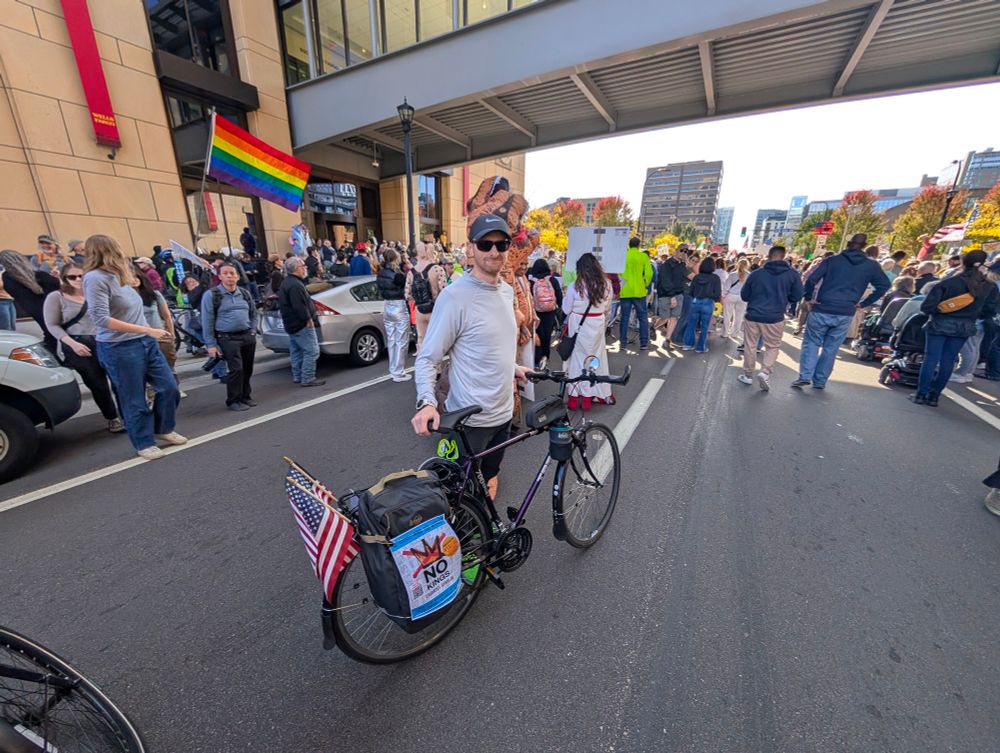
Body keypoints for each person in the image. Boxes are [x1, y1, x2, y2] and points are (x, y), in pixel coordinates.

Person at [412, 213, 531, 499]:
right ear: (471, 248)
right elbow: (428, 358)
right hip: (470, 423)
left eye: (501, 245)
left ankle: (486, 531)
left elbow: (491, 343)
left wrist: (514, 367)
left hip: (503, 416)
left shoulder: (505, 291)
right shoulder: (455, 297)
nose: (493, 251)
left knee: (489, 479)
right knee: (458, 495)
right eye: (485, 244)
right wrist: (427, 403)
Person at [82, 234, 185, 460]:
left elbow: (132, 310)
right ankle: (144, 442)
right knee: (134, 398)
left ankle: (163, 428)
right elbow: (100, 318)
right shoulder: (95, 278)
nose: (122, 255)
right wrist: (148, 330)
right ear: (107, 252)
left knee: (169, 387)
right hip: (119, 347)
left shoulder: (121, 276)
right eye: (117, 251)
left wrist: (148, 332)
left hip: (145, 342)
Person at [792, 234, 890, 390]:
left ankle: (805, 375)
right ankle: (820, 380)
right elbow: (884, 286)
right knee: (831, 348)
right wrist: (864, 303)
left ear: (849, 243)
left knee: (811, 342)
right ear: (864, 246)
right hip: (846, 310)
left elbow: (811, 279)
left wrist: (809, 297)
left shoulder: (832, 261)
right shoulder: (870, 266)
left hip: (823, 306)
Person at [911, 250, 999, 406]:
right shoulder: (989, 286)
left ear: (963, 263)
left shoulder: (949, 282)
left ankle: (921, 393)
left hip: (940, 323)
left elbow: (927, 306)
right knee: (948, 360)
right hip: (965, 326)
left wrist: (940, 311)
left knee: (931, 358)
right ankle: (934, 395)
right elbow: (990, 310)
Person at [43, 263, 124, 433]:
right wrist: (72, 344)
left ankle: (127, 414)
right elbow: (52, 325)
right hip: (78, 343)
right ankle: (112, 417)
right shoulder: (56, 297)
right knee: (97, 384)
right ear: (64, 279)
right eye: (72, 277)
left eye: (81, 275)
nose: (78, 280)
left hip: (105, 340)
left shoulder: (94, 291)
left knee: (119, 380)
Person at [737, 246, 803, 391]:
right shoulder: (792, 274)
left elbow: (744, 295)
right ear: (783, 256)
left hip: (753, 314)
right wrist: (785, 299)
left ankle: (748, 375)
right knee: (772, 346)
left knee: (750, 345)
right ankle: (765, 372)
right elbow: (797, 296)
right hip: (775, 316)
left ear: (769, 256)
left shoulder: (757, 274)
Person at [201, 261, 258, 410]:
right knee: (236, 369)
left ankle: (246, 396)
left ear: (238, 277)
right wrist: (211, 344)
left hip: (247, 335)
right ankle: (233, 400)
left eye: (232, 273)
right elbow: (207, 320)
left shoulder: (244, 293)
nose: (229, 276)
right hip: (227, 337)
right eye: (225, 273)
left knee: (247, 369)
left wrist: (253, 330)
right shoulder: (212, 295)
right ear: (219, 277)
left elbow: (254, 313)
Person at [562, 252, 614, 410]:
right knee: (592, 360)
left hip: (578, 323)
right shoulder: (606, 284)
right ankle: (587, 397)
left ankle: (573, 397)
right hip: (597, 322)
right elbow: (607, 307)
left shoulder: (575, 286)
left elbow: (566, 309)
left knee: (576, 361)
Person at [278, 256, 325, 387]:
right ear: (296, 269)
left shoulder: (288, 282)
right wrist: (308, 319)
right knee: (312, 351)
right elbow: (299, 305)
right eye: (303, 266)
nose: (305, 268)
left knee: (297, 351)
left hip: (292, 324)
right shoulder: (295, 285)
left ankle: (298, 375)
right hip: (301, 324)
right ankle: (308, 377)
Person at [0, 249, 60, 352]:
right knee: (54, 332)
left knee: (49, 332)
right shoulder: (37, 275)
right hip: (48, 306)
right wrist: (56, 277)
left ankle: (49, 356)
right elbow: (56, 285)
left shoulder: (7, 277)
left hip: (31, 308)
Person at [405, 242, 448, 351]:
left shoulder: (411, 272)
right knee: (436, 340)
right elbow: (445, 292)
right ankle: (436, 366)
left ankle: (422, 365)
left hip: (419, 309)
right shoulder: (437, 269)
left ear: (417, 254)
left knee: (421, 339)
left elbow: (407, 294)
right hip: (435, 309)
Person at [377, 248, 411, 382]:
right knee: (401, 340)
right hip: (399, 305)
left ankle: (393, 369)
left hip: (387, 306)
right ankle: (399, 371)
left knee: (391, 340)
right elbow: (407, 284)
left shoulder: (380, 273)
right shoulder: (397, 275)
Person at [618, 236, 653, 350]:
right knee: (642, 317)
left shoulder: (623, 256)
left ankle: (623, 342)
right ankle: (644, 342)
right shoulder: (643, 256)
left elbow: (619, 273)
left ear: (629, 245)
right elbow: (648, 274)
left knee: (624, 317)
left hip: (625, 290)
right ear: (639, 245)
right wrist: (644, 283)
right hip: (639, 291)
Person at [682, 258, 722, 353]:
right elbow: (717, 294)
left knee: (691, 324)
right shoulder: (715, 278)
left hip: (695, 302)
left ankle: (688, 344)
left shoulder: (696, 277)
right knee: (704, 327)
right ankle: (701, 347)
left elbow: (691, 291)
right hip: (708, 303)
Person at [529, 257, 562, 368]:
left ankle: (537, 359)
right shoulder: (552, 280)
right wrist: (558, 307)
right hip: (550, 312)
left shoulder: (532, 281)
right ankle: (545, 358)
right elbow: (559, 294)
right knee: (547, 335)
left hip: (536, 312)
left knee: (537, 334)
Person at [653, 248, 688, 346]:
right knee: (665, 317)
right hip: (666, 294)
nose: (683, 253)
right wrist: (672, 296)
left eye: (686, 252)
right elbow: (665, 281)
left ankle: (667, 339)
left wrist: (686, 261)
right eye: (681, 250)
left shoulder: (683, 265)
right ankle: (653, 327)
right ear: (674, 252)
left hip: (679, 294)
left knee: (674, 317)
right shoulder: (667, 264)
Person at [722, 258, 750, 340]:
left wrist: (723, 295)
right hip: (743, 297)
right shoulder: (749, 275)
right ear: (747, 265)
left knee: (727, 315)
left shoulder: (732, 274)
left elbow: (726, 286)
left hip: (731, 295)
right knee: (739, 317)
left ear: (737, 264)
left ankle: (725, 333)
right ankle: (735, 334)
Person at [0, 264, 16, 331]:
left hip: (10, 300)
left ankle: (14, 341)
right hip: (1, 301)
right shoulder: (2, 273)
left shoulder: (4, 269)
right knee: (5, 326)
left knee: (12, 326)